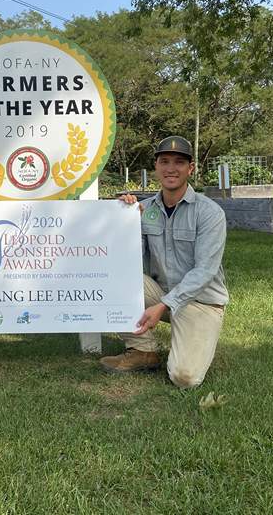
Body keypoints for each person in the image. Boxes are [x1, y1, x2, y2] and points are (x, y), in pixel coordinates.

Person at [100, 135, 229, 389]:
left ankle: (191, 339)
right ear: (156, 167)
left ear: (190, 168)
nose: (171, 168)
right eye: (165, 161)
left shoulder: (209, 212)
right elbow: (128, 258)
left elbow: (205, 271)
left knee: (185, 378)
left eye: (179, 162)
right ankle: (143, 350)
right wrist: (124, 219)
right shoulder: (144, 209)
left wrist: (163, 305)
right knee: (112, 278)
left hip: (201, 302)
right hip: (161, 293)